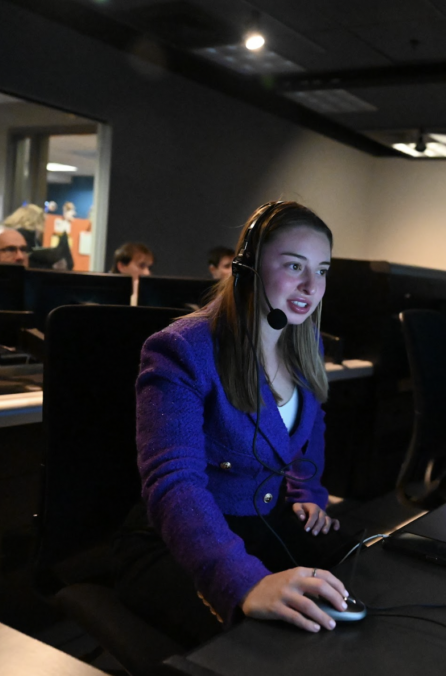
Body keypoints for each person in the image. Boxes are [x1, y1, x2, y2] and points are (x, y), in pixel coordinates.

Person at [114, 201, 354, 649]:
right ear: (246, 268)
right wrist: (241, 581)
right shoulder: (183, 348)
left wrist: (307, 495)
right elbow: (174, 482)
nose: (311, 285)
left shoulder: (304, 343)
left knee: (361, 580)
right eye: (294, 265)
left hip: (265, 519)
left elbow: (308, 433)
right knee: (267, 646)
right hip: (183, 537)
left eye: (322, 269)